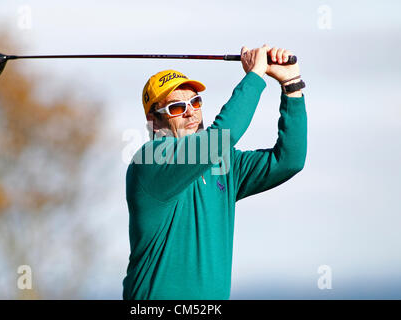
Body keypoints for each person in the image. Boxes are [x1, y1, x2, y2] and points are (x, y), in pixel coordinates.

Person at [123, 44, 307, 299]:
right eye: (176, 108)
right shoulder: (150, 159)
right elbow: (221, 137)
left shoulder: (222, 160)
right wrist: (254, 76)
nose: (191, 113)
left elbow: (289, 160)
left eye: (196, 102)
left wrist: (292, 85)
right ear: (155, 122)